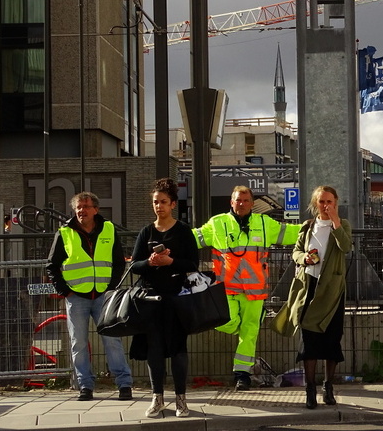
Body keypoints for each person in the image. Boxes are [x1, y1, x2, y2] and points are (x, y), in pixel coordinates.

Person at [194, 185, 302, 390]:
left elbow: (291, 232)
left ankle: (242, 374)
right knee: (224, 321)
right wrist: (166, 234)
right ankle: (244, 360)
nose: (241, 204)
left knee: (250, 334)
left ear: (252, 204)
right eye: (237, 200)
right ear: (231, 202)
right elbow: (193, 238)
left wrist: (315, 226)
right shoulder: (218, 224)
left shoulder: (264, 224)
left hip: (255, 292)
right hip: (226, 289)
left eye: (245, 200)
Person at [45, 192, 133, 402]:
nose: (82, 211)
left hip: (104, 295)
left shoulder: (109, 229)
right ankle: (85, 386)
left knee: (112, 341)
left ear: (96, 209)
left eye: (86, 206)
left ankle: (124, 385)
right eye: (78, 208)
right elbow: (52, 266)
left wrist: (111, 287)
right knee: (79, 343)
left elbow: (119, 262)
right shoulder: (65, 232)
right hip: (77, 298)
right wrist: (65, 291)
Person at [272, 186, 352, 409]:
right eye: (321, 202)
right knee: (309, 340)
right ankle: (310, 390)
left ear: (336, 202)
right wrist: (303, 258)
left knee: (331, 338)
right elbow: (295, 252)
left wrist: (335, 222)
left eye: (329, 201)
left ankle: (328, 386)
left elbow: (346, 247)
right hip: (309, 285)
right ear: (315, 204)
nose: (326, 206)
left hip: (332, 290)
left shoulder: (342, 224)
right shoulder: (308, 227)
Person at [130, 178, 199, 418]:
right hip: (150, 300)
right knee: (154, 350)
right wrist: (149, 262)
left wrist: (171, 262)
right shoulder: (146, 232)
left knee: (179, 350)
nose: (159, 206)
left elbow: (193, 264)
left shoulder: (183, 231)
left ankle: (181, 399)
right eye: (155, 202)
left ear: (172, 204)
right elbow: (134, 265)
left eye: (163, 202)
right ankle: (157, 397)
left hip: (176, 298)